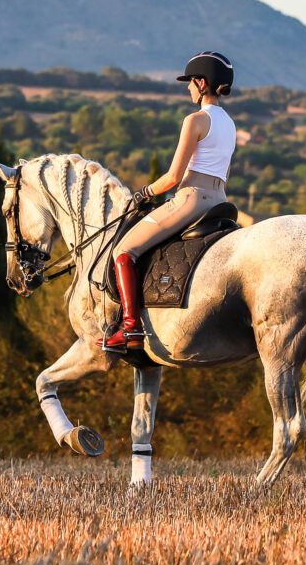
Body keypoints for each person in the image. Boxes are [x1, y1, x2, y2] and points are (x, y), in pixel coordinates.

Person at [98, 51, 237, 351]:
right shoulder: (230, 124)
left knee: (123, 251)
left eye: (189, 82)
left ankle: (131, 328)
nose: (188, 88)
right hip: (219, 201)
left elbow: (174, 177)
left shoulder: (196, 120)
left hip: (191, 199)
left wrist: (144, 193)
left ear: (201, 83)